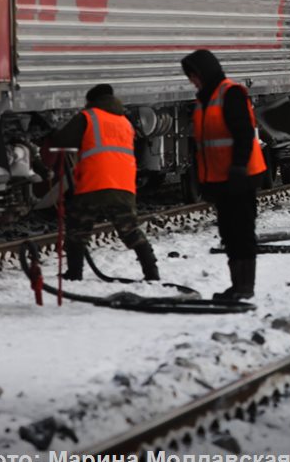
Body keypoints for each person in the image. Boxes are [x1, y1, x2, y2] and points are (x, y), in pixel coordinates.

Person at [45, 84, 158, 281]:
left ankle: (74, 273)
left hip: (94, 184)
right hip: (123, 186)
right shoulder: (125, 122)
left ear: (91, 101)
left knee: (77, 228)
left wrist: (51, 133)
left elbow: (63, 140)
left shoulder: (88, 117)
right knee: (129, 229)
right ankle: (152, 273)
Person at [181, 49, 267, 301]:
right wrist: (205, 180)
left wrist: (238, 167)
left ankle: (245, 286)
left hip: (241, 176)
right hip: (220, 178)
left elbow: (243, 134)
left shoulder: (230, 94)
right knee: (228, 233)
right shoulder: (204, 100)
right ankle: (236, 285)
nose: (192, 81)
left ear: (205, 73)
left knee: (242, 231)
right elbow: (205, 145)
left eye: (194, 75)